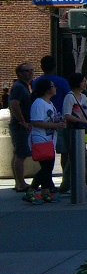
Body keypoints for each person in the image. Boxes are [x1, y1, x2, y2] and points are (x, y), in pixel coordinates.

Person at [24, 78, 65, 204]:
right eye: (53, 86)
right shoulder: (39, 103)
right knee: (46, 168)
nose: (55, 88)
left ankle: (45, 192)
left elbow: (51, 119)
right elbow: (36, 122)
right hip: (40, 138)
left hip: (49, 139)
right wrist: (56, 126)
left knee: (48, 166)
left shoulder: (49, 103)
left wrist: (59, 120)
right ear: (47, 89)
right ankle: (31, 191)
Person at [8, 62, 35, 193]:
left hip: (20, 125)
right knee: (21, 154)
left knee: (18, 154)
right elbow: (14, 104)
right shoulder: (18, 87)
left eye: (31, 70)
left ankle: (18, 182)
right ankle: (21, 184)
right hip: (19, 126)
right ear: (19, 73)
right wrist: (22, 121)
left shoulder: (24, 86)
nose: (30, 72)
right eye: (27, 71)